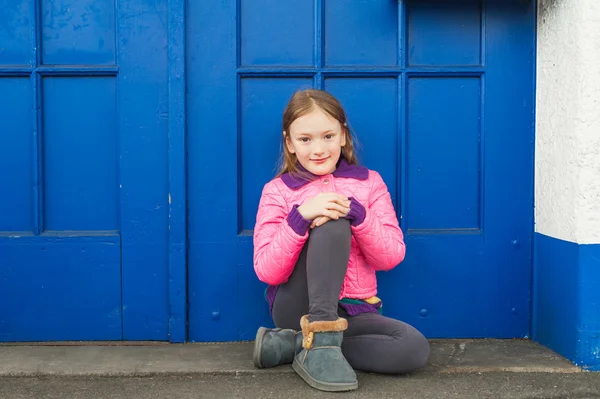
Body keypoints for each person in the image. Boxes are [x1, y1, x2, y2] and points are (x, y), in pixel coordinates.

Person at [251, 89, 430, 392]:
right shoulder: (277, 191)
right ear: (290, 143)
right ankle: (315, 338)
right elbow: (268, 272)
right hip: (298, 308)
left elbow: (390, 257)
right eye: (305, 139)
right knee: (331, 219)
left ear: (343, 136)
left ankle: (295, 345)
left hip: (354, 310)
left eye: (328, 136)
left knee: (413, 348)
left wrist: (358, 215)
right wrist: (300, 217)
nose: (318, 148)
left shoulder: (369, 183)